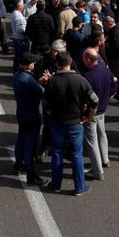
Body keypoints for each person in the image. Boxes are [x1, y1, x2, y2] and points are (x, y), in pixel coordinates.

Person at [43, 51, 99, 196]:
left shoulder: (53, 81)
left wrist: (52, 114)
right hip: (75, 123)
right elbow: (94, 101)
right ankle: (79, 187)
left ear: (57, 64)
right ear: (71, 61)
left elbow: (45, 104)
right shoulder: (80, 80)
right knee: (76, 155)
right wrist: (88, 117)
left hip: (58, 123)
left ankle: (56, 185)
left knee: (57, 154)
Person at [12, 52, 48, 185]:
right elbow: (42, 92)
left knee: (21, 138)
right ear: (28, 66)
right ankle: (31, 174)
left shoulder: (17, 76)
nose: (35, 64)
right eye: (33, 63)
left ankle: (19, 163)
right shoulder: (27, 80)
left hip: (21, 113)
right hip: (32, 115)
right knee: (31, 145)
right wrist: (45, 82)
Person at [81, 49, 117, 180]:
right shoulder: (105, 70)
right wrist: (106, 100)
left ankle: (97, 171)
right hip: (103, 110)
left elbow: (86, 100)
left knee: (92, 142)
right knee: (102, 134)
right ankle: (105, 159)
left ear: (88, 60)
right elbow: (113, 89)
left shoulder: (87, 76)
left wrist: (86, 114)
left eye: (84, 58)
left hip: (92, 113)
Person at [11, 0, 30, 71]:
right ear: (19, 6)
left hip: (17, 38)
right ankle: (17, 70)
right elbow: (20, 29)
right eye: (22, 5)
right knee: (20, 56)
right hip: (20, 39)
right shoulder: (18, 16)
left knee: (17, 56)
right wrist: (27, 32)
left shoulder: (14, 13)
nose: (23, 6)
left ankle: (16, 69)